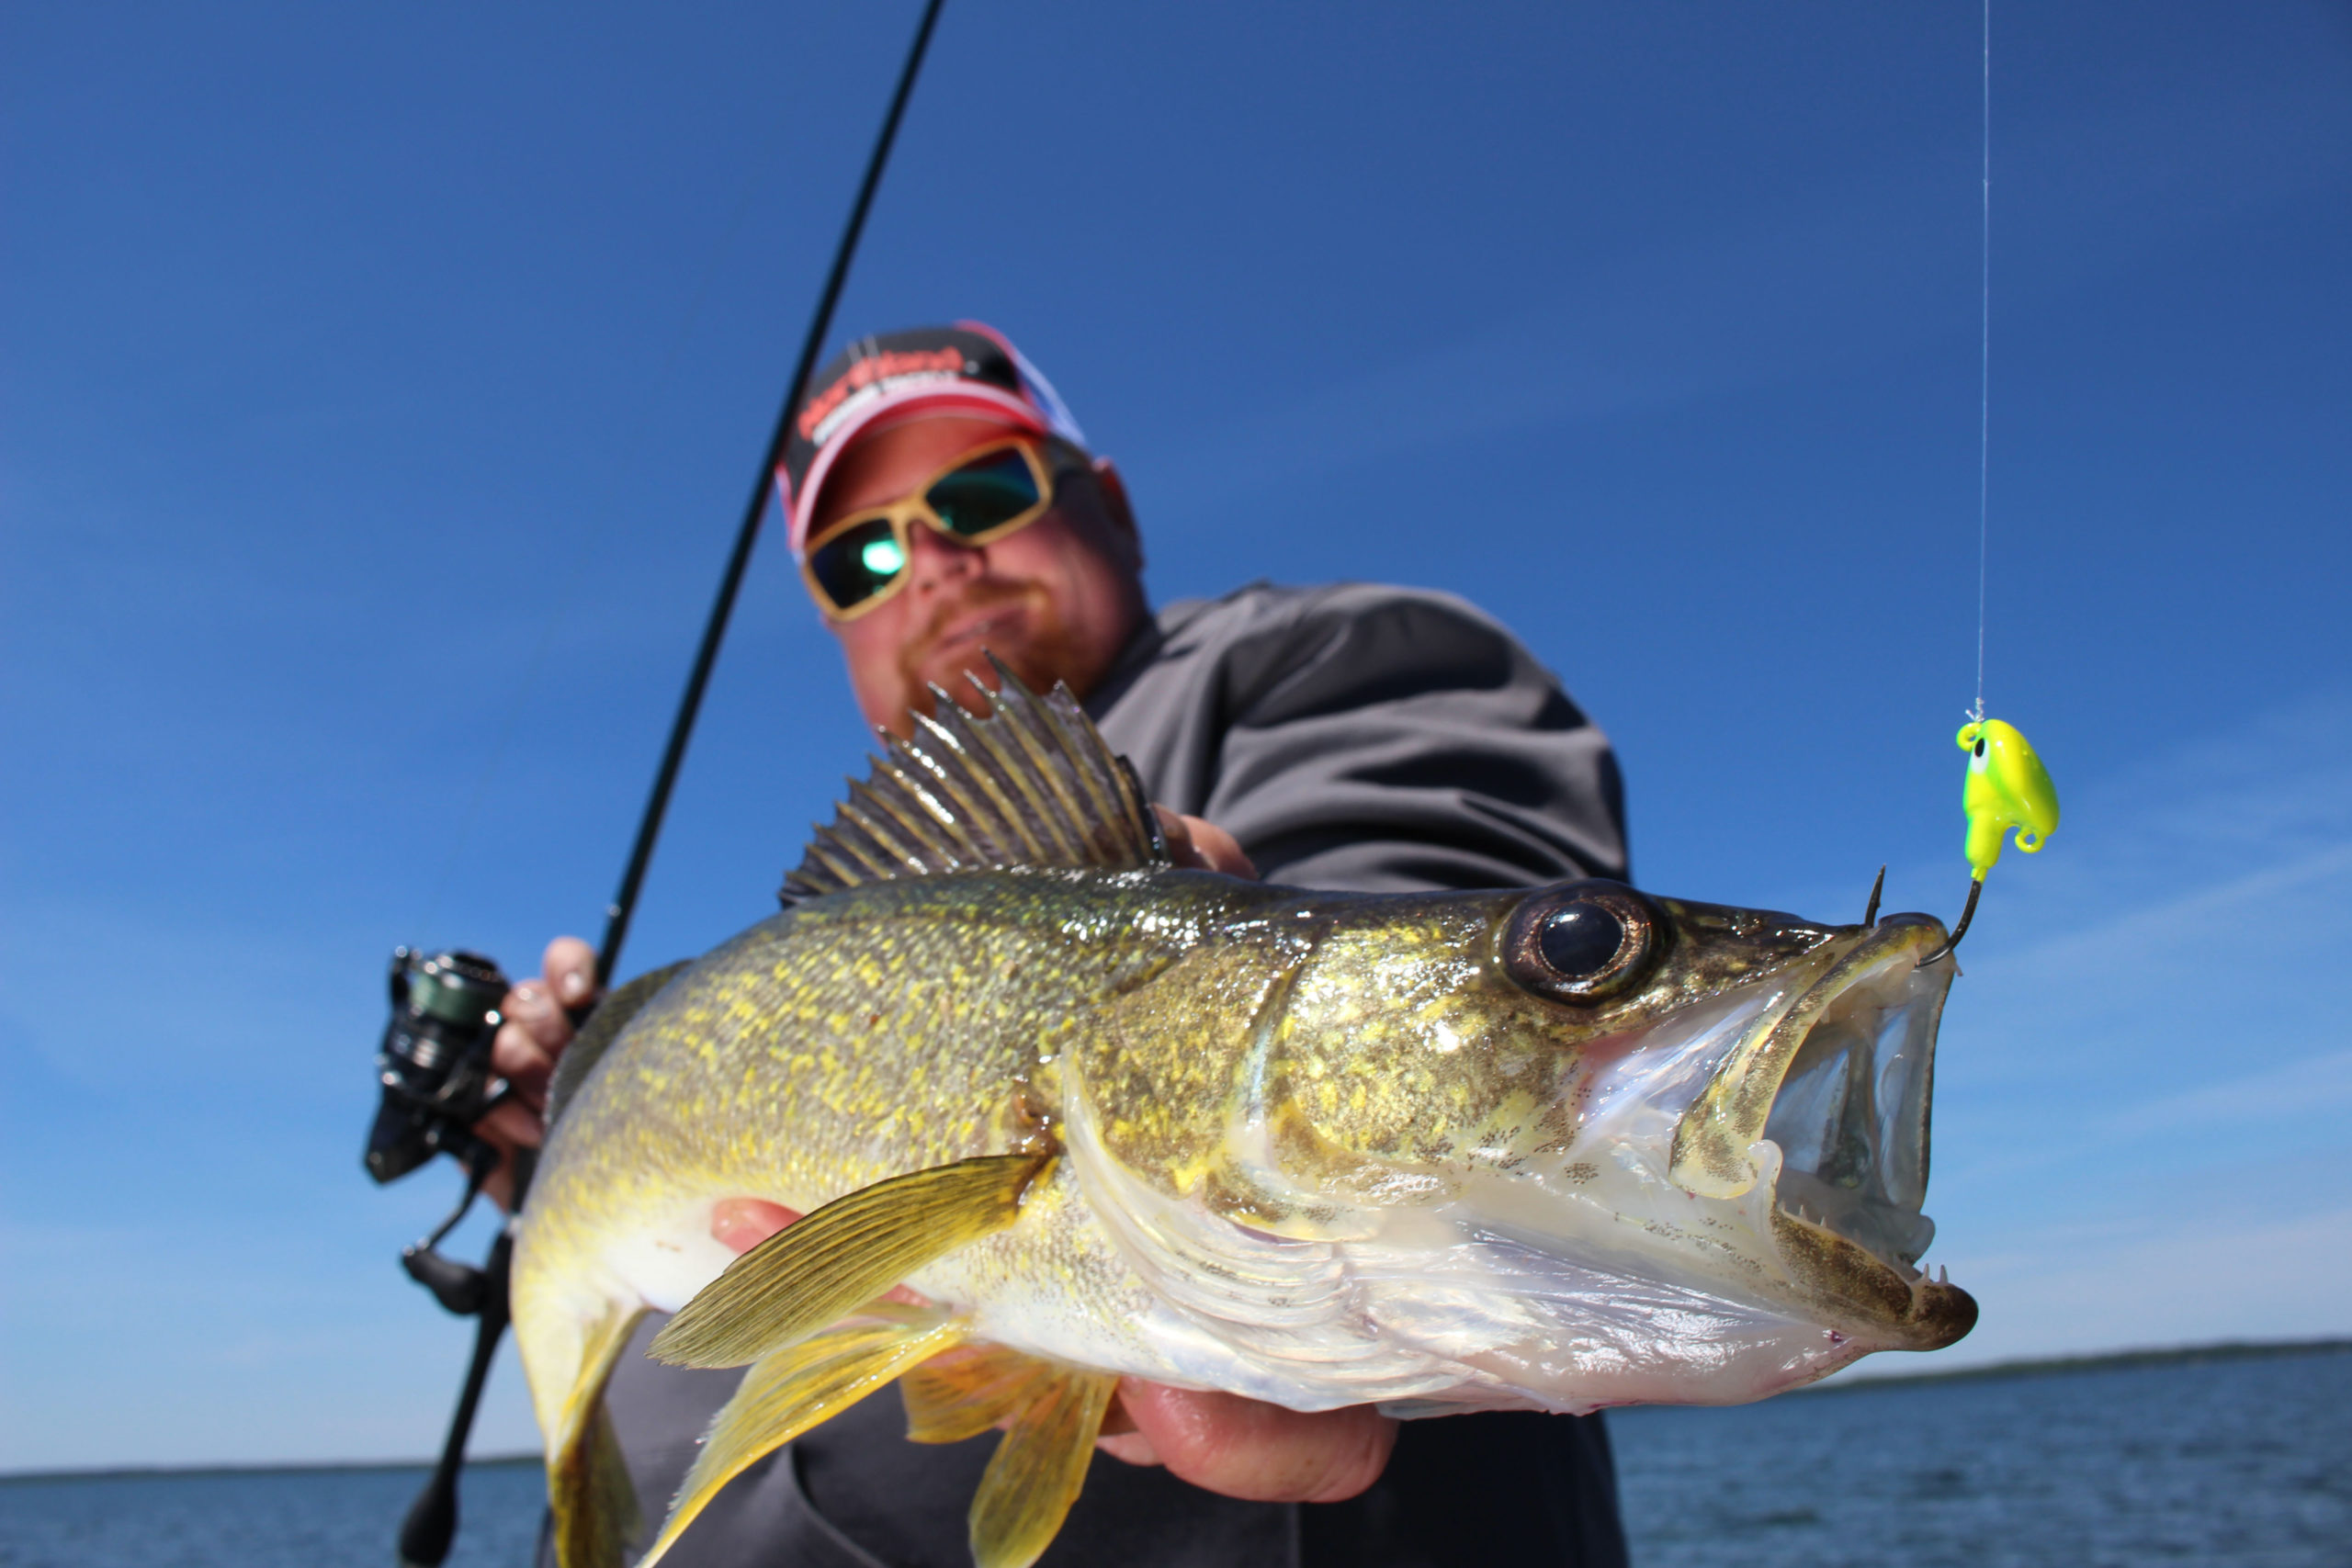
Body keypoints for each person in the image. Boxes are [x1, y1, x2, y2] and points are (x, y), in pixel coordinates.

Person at [480, 323, 1633, 1567]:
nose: (931, 560)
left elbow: (1440, 948)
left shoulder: (1337, 659)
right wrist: (555, 1139)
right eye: (858, 555)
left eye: (983, 491)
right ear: (832, 619)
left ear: (1113, 510)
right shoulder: (853, 920)